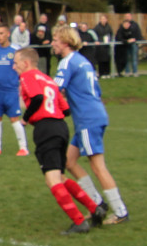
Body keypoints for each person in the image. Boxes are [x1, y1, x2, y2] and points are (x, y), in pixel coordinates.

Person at [13, 47, 100, 234]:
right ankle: (95, 209)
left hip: (46, 129)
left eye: (16, 62)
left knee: (52, 180)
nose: (14, 66)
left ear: (26, 63)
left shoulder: (27, 76)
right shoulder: (48, 79)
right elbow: (66, 109)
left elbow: (37, 97)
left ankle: (79, 221)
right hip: (60, 127)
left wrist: (25, 118)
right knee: (60, 177)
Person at [52, 25, 130, 225]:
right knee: (69, 162)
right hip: (94, 115)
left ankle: (120, 211)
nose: (53, 43)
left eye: (55, 40)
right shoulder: (83, 61)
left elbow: (55, 90)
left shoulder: (67, 62)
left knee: (97, 166)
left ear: (65, 42)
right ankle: (97, 203)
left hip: (88, 119)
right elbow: (96, 90)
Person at [0, 25, 29, 157]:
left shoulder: (16, 50)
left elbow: (22, 69)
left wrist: (21, 83)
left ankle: (23, 147)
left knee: (14, 118)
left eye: (1, 33)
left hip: (11, 90)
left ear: (8, 34)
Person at [92, 13, 113, 78]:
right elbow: (94, 35)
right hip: (100, 46)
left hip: (107, 45)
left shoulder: (109, 27)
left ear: (106, 20)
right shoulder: (97, 27)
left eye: (104, 19)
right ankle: (101, 73)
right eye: (102, 19)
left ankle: (107, 73)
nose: (103, 20)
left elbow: (111, 34)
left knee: (107, 60)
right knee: (101, 60)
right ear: (100, 20)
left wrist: (110, 41)